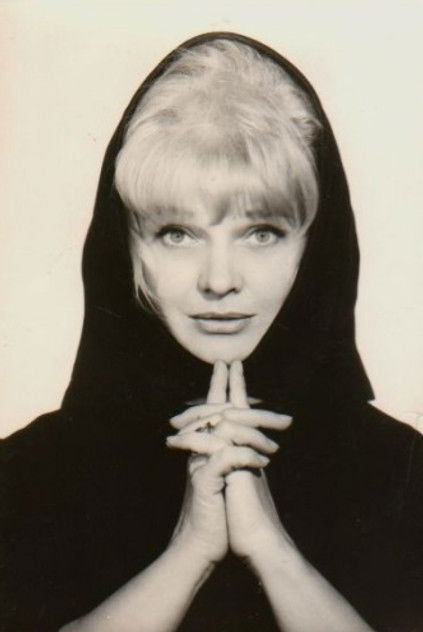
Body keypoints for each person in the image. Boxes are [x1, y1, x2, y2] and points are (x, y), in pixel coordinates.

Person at [1, 32, 422, 632]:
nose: (219, 280)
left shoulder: (405, 474)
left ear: (315, 245)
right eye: (177, 233)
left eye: (262, 233)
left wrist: (272, 552)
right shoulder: (25, 478)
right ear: (128, 248)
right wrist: (190, 553)